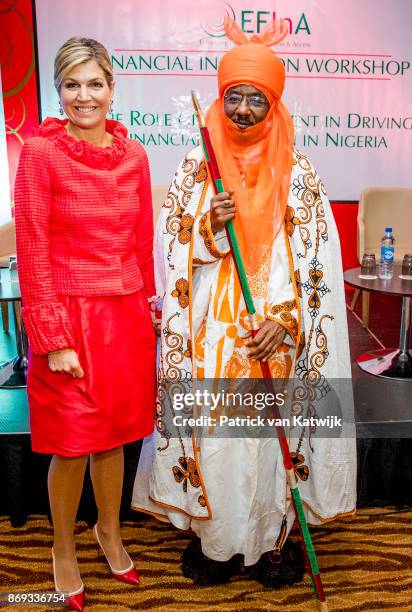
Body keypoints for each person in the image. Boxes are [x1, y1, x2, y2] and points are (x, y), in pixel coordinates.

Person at [132, 18, 356, 587]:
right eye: (235, 96)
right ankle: (221, 543)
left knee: (265, 443)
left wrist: (285, 320)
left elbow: (316, 267)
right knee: (221, 441)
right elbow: (170, 247)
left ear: (274, 103)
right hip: (213, 332)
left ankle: (271, 541)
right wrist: (206, 229)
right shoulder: (196, 167)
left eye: (257, 99)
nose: (244, 110)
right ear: (220, 97)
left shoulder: (299, 175)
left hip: (274, 335)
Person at [14, 37, 156, 610]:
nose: (84, 95)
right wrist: (51, 339)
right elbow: (33, 246)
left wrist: (149, 310)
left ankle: (110, 531)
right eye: (72, 84)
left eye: (94, 83)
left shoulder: (136, 155)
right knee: (72, 445)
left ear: (112, 89)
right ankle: (63, 548)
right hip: (68, 317)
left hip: (123, 317)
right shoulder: (42, 154)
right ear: (59, 90)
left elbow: (141, 241)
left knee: (115, 440)